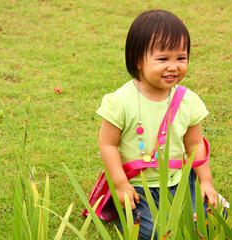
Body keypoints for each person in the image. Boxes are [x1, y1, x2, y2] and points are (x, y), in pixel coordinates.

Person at [96, 9, 218, 239]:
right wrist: (121, 184)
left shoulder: (187, 101)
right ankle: (126, 211)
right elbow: (108, 145)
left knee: (208, 219)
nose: (173, 66)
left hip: (180, 180)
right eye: (163, 59)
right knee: (156, 231)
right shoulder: (120, 102)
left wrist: (206, 181)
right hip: (138, 187)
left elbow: (195, 145)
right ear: (136, 60)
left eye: (181, 58)